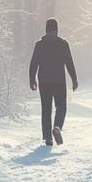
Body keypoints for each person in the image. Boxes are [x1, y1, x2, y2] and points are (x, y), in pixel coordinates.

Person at [28, 18, 79, 147]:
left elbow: (33, 63)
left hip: (44, 82)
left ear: (46, 30)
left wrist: (32, 80)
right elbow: (69, 63)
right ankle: (57, 127)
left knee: (46, 109)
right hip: (59, 81)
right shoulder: (63, 44)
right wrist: (74, 79)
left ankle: (48, 139)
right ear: (56, 30)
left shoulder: (39, 45)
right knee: (61, 106)